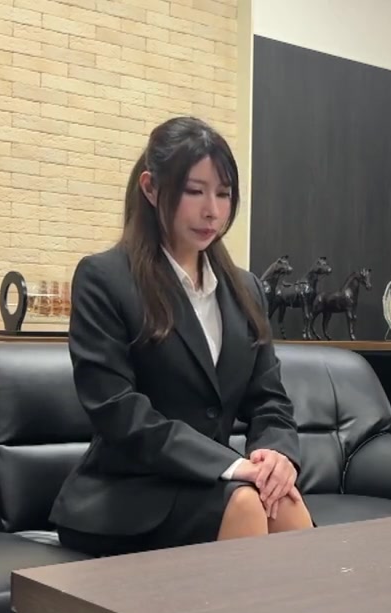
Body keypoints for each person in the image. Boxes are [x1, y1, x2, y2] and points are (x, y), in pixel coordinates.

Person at [50, 116, 314, 557]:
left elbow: (269, 400)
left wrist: (276, 456)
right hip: (127, 494)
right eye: (195, 191)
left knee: (281, 500)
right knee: (245, 503)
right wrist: (232, 466)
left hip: (210, 484)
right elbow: (118, 412)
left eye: (223, 194)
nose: (212, 211)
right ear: (151, 188)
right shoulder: (104, 278)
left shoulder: (245, 288)